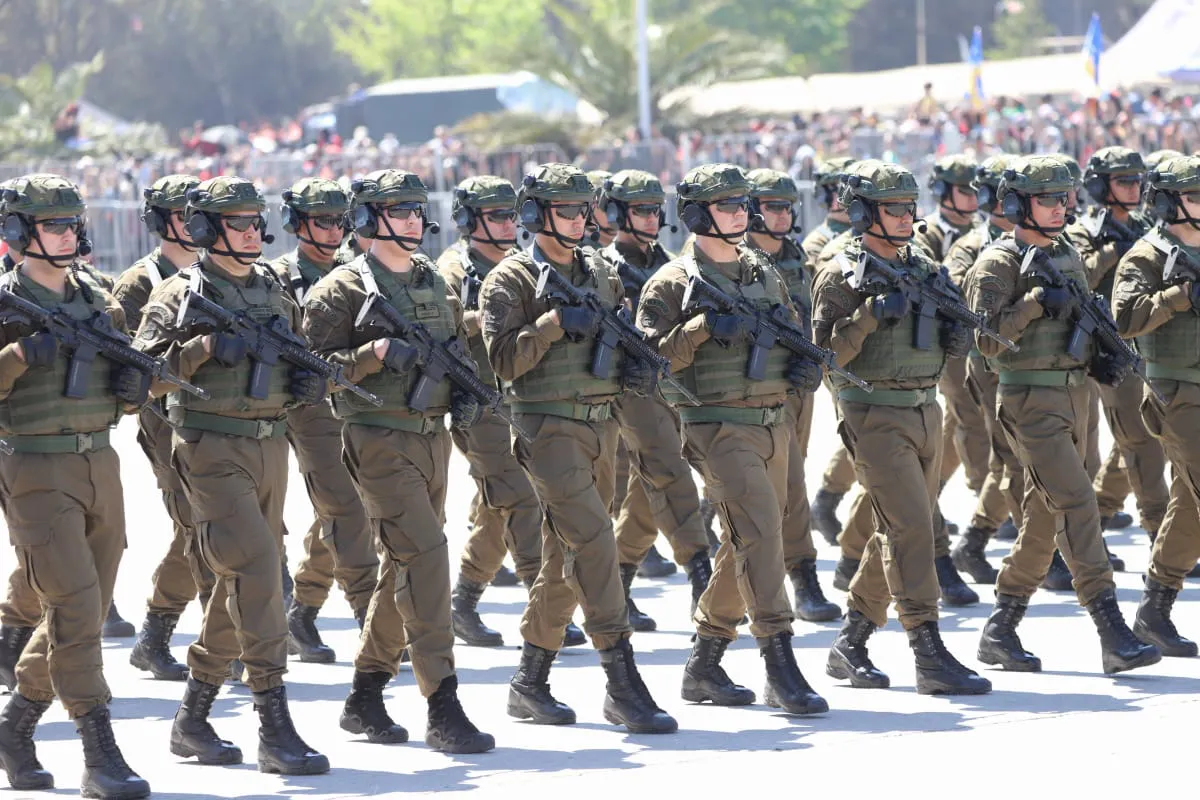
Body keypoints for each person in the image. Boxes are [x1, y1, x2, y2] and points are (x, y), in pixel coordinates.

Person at [135, 175, 330, 774]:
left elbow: (301, 349)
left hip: (269, 447)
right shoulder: (178, 294)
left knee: (236, 582)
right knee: (260, 570)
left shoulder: (272, 290)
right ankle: (273, 719)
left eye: (255, 221)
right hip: (209, 446)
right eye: (239, 223)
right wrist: (199, 350)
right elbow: (138, 378)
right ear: (205, 230)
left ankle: (193, 716)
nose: (254, 232)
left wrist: (307, 379)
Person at [480, 163, 676, 733]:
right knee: (594, 544)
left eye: (584, 210)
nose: (581, 220)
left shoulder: (597, 270)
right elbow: (502, 364)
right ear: (537, 216)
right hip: (547, 429)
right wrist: (548, 325)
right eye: (567, 211)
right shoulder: (510, 280)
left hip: (600, 426)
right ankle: (621, 680)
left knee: (569, 556)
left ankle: (529, 682)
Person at [304, 169, 495, 754]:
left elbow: (460, 352)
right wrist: (372, 353)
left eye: (417, 209)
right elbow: (311, 373)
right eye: (400, 210)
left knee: (405, 567)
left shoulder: (432, 280)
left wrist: (466, 393)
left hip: (430, 437)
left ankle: (364, 696)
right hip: (378, 437)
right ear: (371, 219)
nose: (415, 218)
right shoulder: (339, 290)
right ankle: (442, 701)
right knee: (428, 558)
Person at [637, 163, 828, 714]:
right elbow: (650, 366)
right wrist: (699, 329)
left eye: (744, 205)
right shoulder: (673, 283)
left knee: (749, 538)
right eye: (728, 206)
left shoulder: (760, 270)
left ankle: (704, 663)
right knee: (762, 534)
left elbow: (794, 329)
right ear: (697, 215)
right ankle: (778, 661)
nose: (742, 215)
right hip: (717, 425)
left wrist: (804, 367)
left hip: (775, 422)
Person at [966, 155, 1160, 675]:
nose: (1061, 208)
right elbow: (986, 343)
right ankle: (1111, 627)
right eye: (1048, 199)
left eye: (1064, 198)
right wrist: (1031, 302)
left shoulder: (1067, 253)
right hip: (1030, 398)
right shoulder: (997, 263)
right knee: (1077, 502)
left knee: (1044, 514)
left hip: (1075, 396)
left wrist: (1102, 350)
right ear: (1015, 205)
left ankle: (1001, 628)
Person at [812, 160, 990, 695]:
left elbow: (952, 338)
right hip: (872, 412)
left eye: (910, 207)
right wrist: (869, 315)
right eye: (894, 208)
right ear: (864, 212)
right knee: (915, 526)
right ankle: (927, 648)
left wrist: (955, 329)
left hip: (924, 407)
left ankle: (852, 641)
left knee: (896, 527)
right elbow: (824, 359)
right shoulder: (841, 273)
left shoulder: (923, 265)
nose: (908, 217)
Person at [0, 174, 149, 797]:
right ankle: (99, 747)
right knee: (78, 607)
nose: (69, 235)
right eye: (54, 225)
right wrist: (20, 357)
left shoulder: (94, 297)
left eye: (72, 224)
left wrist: (140, 385)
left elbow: (128, 386)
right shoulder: (6, 303)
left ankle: (15, 725)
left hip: (101, 465)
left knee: (76, 610)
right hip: (35, 467)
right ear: (16, 233)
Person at [436, 175, 560, 646]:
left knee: (500, 505)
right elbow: (443, 327)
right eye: (496, 216)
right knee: (520, 499)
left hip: (521, 394)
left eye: (512, 215)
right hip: (478, 399)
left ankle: (463, 602)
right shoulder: (452, 269)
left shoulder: (520, 264)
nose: (510, 224)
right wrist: (491, 317)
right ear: (469, 221)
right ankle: (542, 605)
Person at [594, 169, 713, 629]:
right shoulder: (600, 267)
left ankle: (619, 579)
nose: (650, 217)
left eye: (654, 209)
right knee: (668, 470)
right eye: (640, 209)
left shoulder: (673, 265)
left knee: (650, 489)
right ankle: (701, 570)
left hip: (677, 381)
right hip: (630, 388)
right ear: (616, 214)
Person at [272, 177, 380, 662]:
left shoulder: (360, 274)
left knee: (340, 508)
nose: (335, 230)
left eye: (342, 221)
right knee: (348, 511)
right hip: (304, 407)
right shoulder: (273, 277)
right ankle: (370, 620)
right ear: (297, 224)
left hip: (350, 399)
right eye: (323, 221)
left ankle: (303, 612)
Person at [116, 173, 217, 682]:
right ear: (162, 222)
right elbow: (130, 368)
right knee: (197, 526)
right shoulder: (140, 282)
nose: (193, 223)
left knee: (203, 527)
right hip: (164, 422)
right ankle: (219, 644)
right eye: (182, 214)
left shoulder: (217, 271)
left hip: (215, 420)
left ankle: (156, 634)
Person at [1114, 155, 1200, 657]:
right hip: (1177, 392)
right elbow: (1124, 318)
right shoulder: (1149, 255)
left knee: (1190, 505)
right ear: (1169, 202)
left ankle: (1154, 611)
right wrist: (1180, 296)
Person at [745, 167, 840, 622]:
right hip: (751, 392)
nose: (783, 215)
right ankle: (799, 577)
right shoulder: (731, 259)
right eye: (773, 207)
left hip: (796, 388)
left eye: (787, 207)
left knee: (791, 482)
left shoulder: (795, 256)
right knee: (783, 489)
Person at [1067, 148, 1168, 545]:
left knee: (1139, 441)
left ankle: (1099, 515)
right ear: (1099, 186)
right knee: (1142, 446)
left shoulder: (1146, 224)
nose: (1135, 187)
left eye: (1137, 180)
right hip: (1112, 352)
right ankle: (1161, 537)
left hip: (1151, 346)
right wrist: (1111, 250)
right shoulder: (1084, 231)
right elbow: (1079, 281)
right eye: (1125, 180)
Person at [943, 156, 1021, 582]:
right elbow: (957, 299)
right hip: (988, 364)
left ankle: (975, 542)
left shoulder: (1036, 242)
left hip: (1032, 363)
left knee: (1020, 458)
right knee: (1012, 456)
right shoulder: (970, 246)